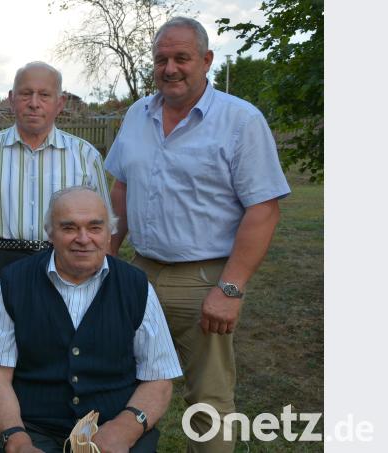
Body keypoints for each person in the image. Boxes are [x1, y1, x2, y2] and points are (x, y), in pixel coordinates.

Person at [103, 16, 291, 452]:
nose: (170, 68)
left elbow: (263, 209)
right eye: (162, 59)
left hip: (204, 278)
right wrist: (109, 256)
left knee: (207, 401)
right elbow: (121, 187)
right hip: (138, 273)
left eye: (182, 58)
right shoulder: (137, 114)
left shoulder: (240, 121)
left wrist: (231, 287)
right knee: (122, 386)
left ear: (206, 60)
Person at [0, 61, 112, 442]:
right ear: (11, 100)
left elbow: (101, 232)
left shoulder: (84, 156)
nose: (34, 103)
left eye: (44, 95)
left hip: (67, 266)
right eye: (25, 93)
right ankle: (1, 440)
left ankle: (65, 442)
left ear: (60, 102)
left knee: (66, 360)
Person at [0, 187, 181, 453]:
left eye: (95, 228)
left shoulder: (136, 286)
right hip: (36, 429)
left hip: (116, 425)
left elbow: (159, 377)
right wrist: (17, 440)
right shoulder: (13, 282)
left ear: (110, 234)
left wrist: (126, 427)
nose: (83, 238)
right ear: (50, 234)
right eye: (69, 228)